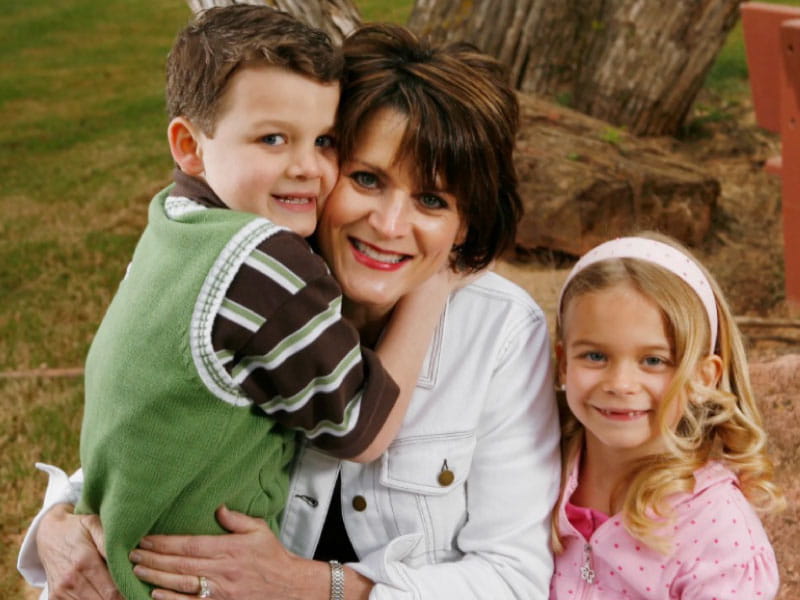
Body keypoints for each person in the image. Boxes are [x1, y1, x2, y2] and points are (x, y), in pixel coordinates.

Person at [18, 22, 562, 600]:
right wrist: (58, 522)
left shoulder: (501, 333)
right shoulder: (233, 277)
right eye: (367, 178)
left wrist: (312, 586)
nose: (390, 225)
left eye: (432, 200)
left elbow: (513, 578)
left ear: (467, 223)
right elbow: (148, 425)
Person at [548, 233, 784, 599]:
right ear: (563, 364)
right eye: (595, 356)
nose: (621, 384)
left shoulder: (717, 530)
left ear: (702, 377)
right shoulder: (541, 470)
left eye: (654, 361)